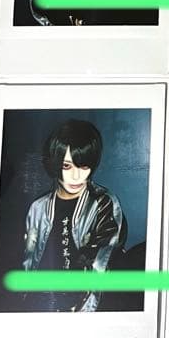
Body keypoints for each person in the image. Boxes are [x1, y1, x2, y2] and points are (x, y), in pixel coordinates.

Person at [19, 119, 127, 312]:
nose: (76, 176)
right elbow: (28, 262)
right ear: (55, 164)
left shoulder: (103, 204)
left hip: (82, 306)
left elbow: (100, 267)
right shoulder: (38, 208)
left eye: (84, 166)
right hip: (39, 303)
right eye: (67, 166)